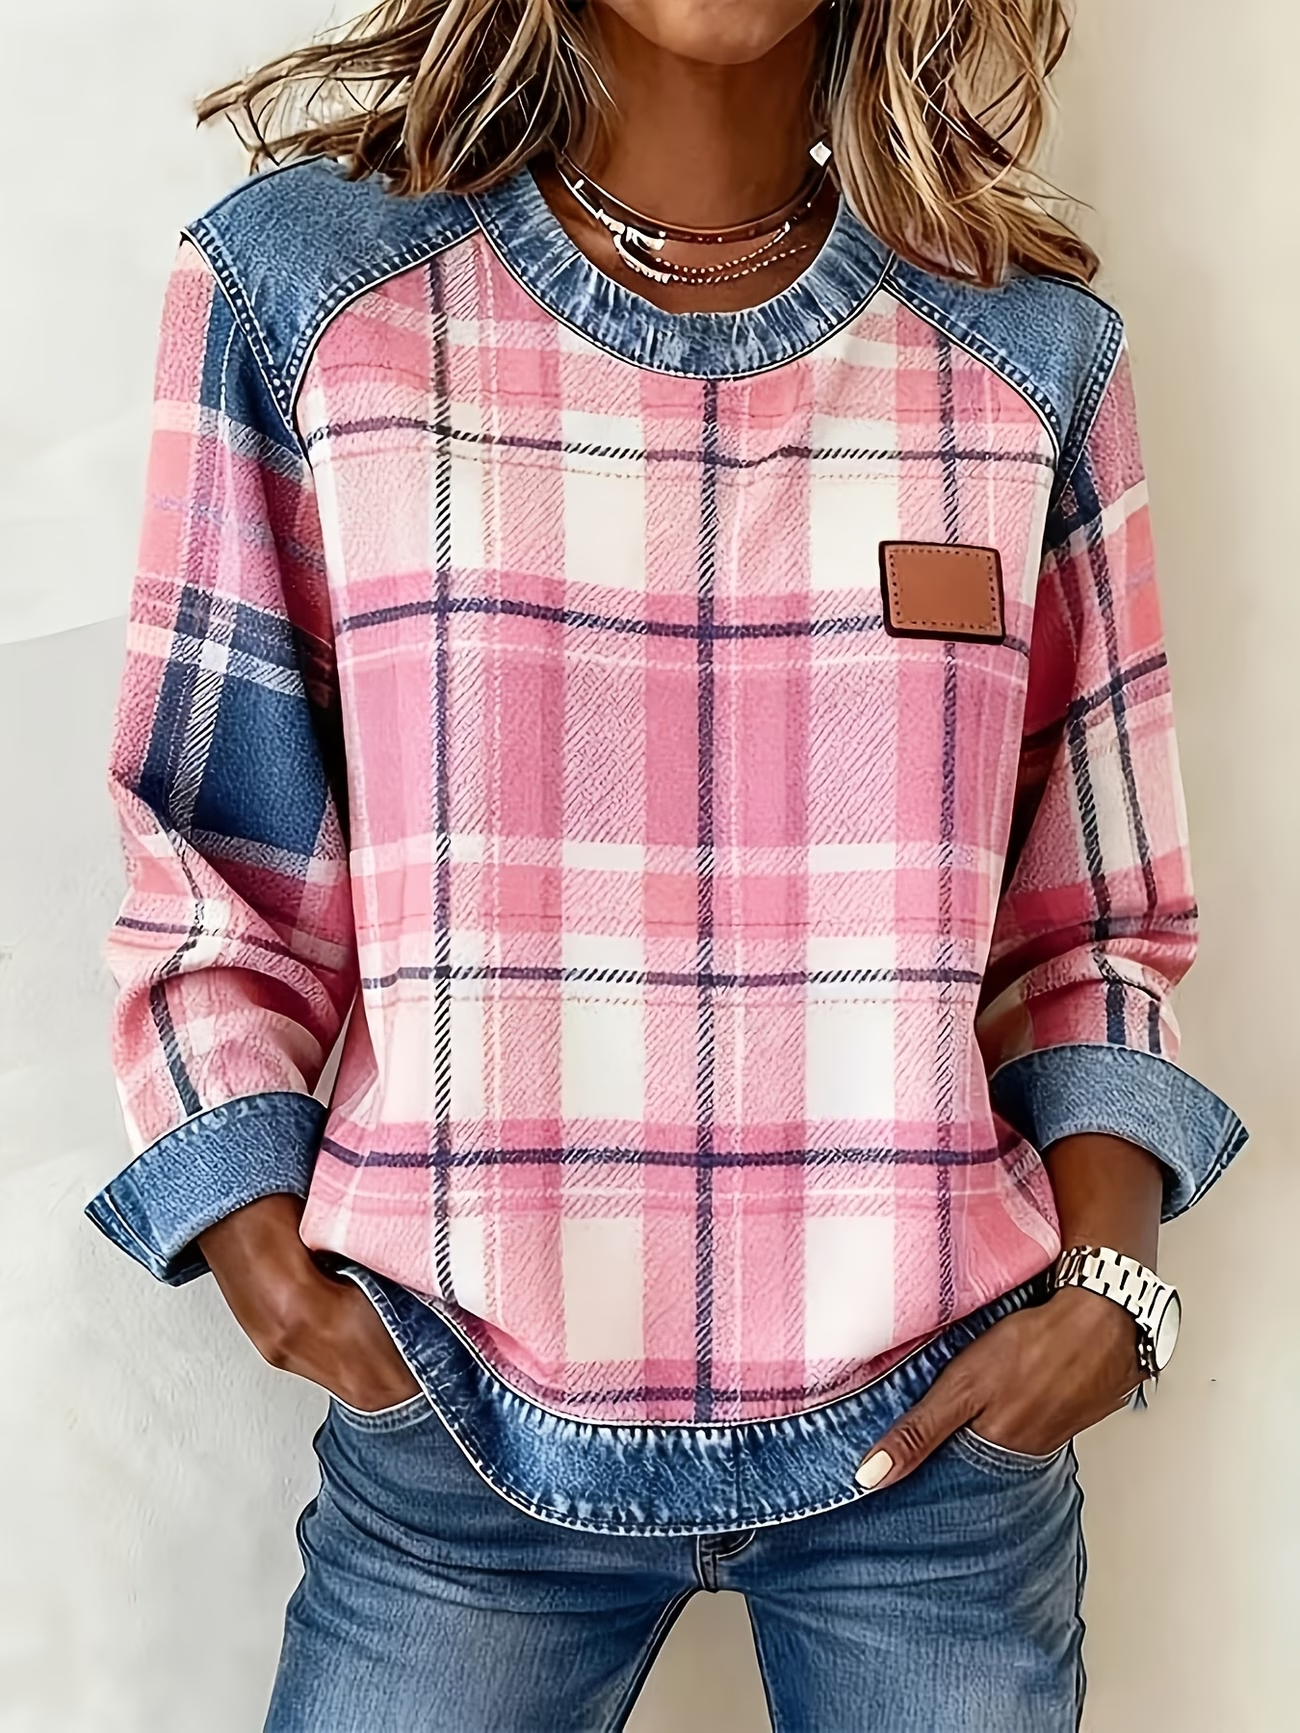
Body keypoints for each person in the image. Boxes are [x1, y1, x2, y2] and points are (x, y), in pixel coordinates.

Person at [86, 1, 1248, 1727]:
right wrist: (257, 1246)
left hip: (939, 1452)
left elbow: (1095, 924)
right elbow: (214, 859)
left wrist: (1109, 1292)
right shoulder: (314, 303)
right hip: (456, 1432)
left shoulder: (1024, 358)